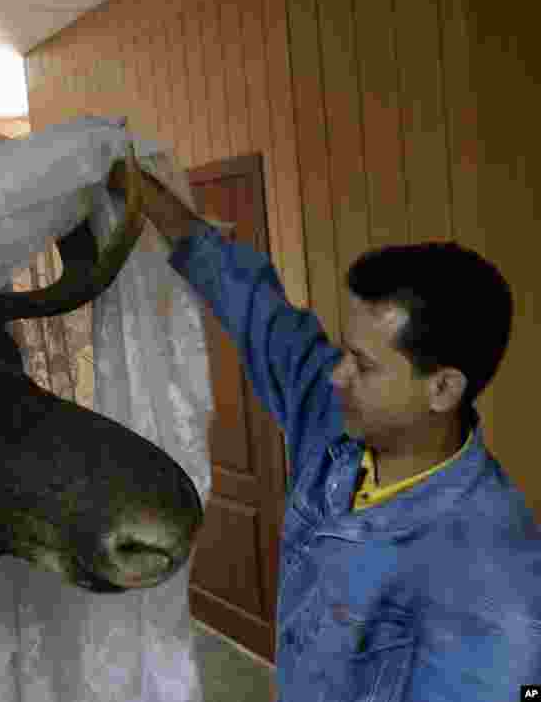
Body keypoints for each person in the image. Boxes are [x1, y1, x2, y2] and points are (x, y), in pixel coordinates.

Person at [107, 152, 541, 701]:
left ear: (442, 388)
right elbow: (252, 305)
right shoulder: (336, 421)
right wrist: (145, 196)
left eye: (363, 364)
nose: (336, 375)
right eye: (343, 352)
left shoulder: (496, 576)